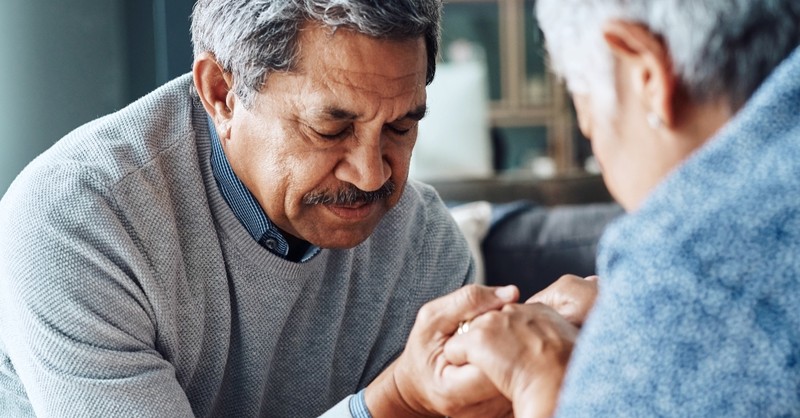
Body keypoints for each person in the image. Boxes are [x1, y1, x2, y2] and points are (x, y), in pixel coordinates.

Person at [0, 1, 513, 416]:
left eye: (400, 128)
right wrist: (390, 402)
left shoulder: (424, 246)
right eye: (330, 129)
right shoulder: (77, 223)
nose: (372, 174)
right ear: (222, 94)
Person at [442, 0, 800, 416]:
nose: (591, 132)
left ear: (646, 74)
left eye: (583, 104)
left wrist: (544, 382)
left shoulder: (686, 264)